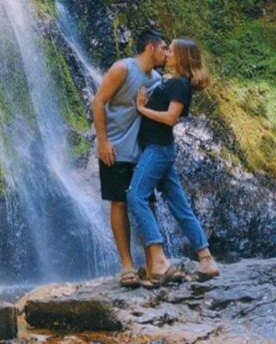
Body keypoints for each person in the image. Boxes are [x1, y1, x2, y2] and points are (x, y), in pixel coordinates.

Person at [127, 38, 220, 286]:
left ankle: (159, 261)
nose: (166, 53)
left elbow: (170, 118)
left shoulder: (179, 83)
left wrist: (141, 109)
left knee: (135, 196)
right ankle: (206, 259)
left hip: (158, 149)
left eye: (171, 50)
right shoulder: (176, 82)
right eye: (165, 49)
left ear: (181, 57)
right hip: (162, 149)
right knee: (180, 206)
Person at [92, 28, 167, 288]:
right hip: (115, 148)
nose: (166, 53)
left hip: (142, 151)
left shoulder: (157, 78)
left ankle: (154, 264)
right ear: (150, 47)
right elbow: (98, 101)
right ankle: (126, 266)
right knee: (119, 203)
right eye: (163, 48)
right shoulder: (122, 69)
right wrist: (102, 141)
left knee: (148, 203)